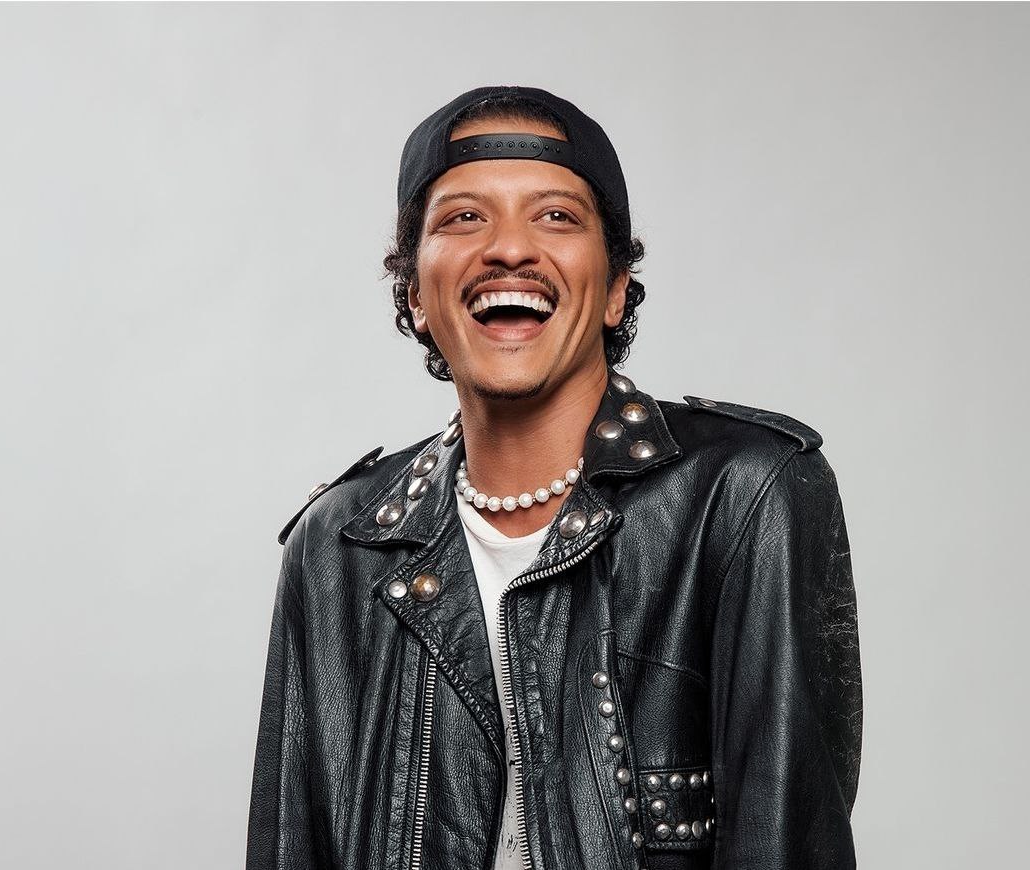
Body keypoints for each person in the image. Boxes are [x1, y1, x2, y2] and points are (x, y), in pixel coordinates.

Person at [246, 85, 863, 870]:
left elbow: (786, 839)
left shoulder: (743, 496)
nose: (508, 248)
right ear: (415, 295)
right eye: (463, 218)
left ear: (614, 288)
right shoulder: (337, 545)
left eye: (555, 217)